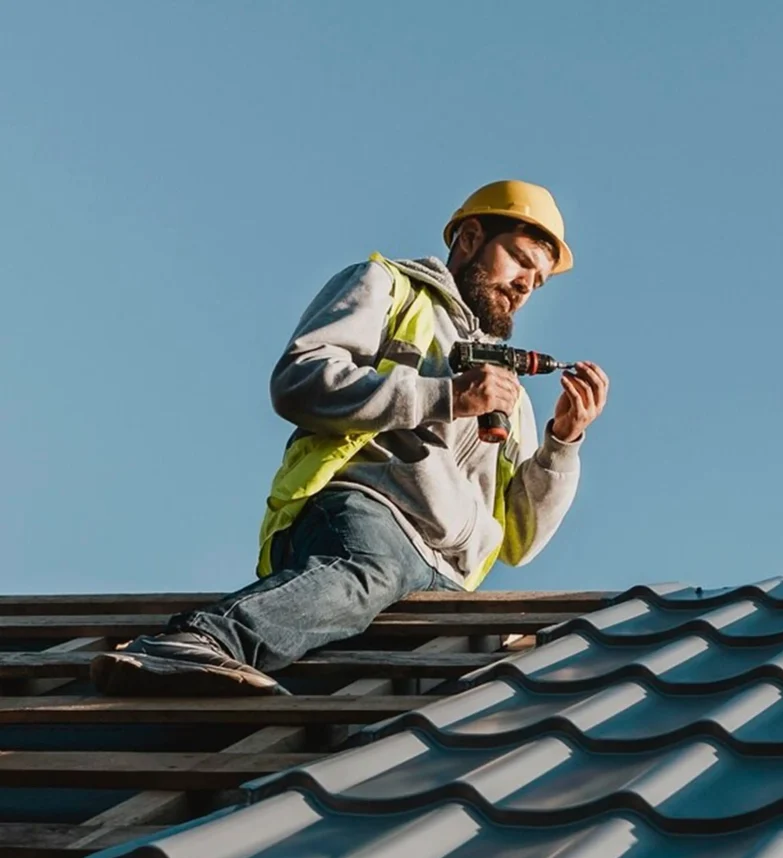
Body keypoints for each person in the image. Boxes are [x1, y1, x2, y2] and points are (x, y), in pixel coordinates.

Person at [91, 180, 610, 696]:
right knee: (365, 571)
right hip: (370, 517)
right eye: (519, 261)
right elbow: (300, 381)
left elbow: (519, 541)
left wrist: (563, 443)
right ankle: (196, 641)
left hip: (447, 578)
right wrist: (444, 397)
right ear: (470, 238)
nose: (525, 284)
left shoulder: (509, 395)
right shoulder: (388, 288)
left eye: (538, 280)